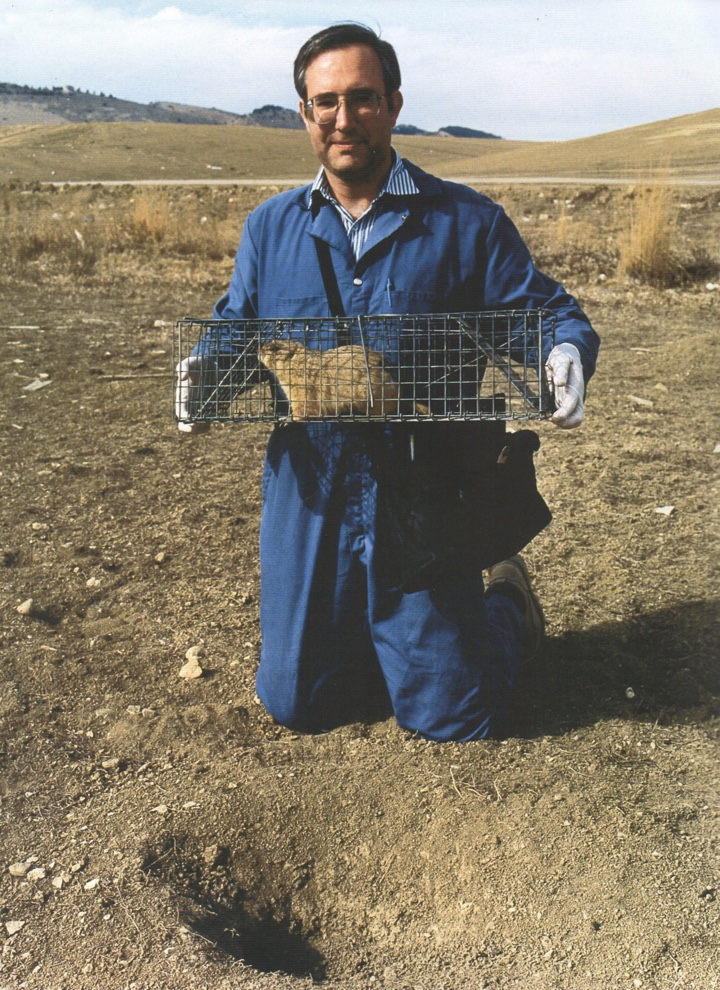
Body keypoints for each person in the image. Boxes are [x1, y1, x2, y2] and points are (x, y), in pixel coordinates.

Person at [176, 23, 600, 741]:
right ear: (306, 114)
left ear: (394, 104)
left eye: (363, 98)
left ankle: (506, 605)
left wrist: (563, 352)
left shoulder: (466, 221)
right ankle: (391, 644)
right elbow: (235, 331)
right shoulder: (270, 228)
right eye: (326, 102)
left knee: (456, 716)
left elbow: (543, 314)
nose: (344, 119)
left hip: (427, 484)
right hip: (311, 485)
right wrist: (204, 371)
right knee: (298, 704)